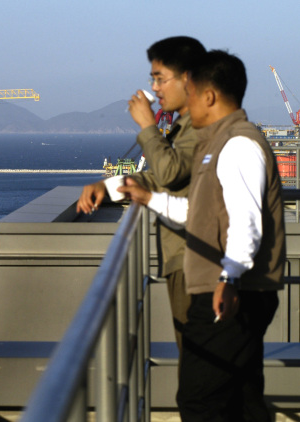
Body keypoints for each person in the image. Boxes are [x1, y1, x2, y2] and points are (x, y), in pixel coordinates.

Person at [121, 50, 285, 421]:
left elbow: (246, 223)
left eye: (190, 93)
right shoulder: (218, 144)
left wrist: (228, 279)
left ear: (209, 96)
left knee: (200, 400)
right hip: (229, 285)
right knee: (241, 400)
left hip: (227, 290)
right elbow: (203, 215)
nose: (182, 104)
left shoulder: (238, 144)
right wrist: (150, 198)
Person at [76, 36, 206, 351]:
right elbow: (160, 177)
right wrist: (107, 187)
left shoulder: (201, 128)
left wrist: (147, 126)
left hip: (196, 261)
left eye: (160, 79)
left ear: (187, 78)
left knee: (199, 376)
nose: (155, 88)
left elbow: (170, 172)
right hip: (188, 258)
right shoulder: (186, 127)